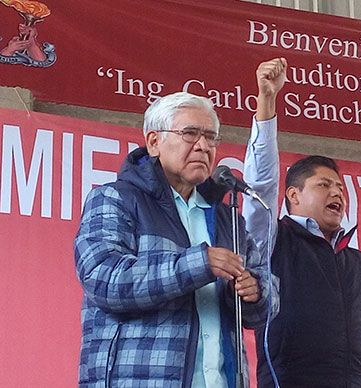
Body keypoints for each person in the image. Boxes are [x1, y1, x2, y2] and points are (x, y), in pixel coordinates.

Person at [74, 91, 278, 387]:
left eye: (211, 137)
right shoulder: (114, 198)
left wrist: (256, 291)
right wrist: (199, 263)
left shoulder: (227, 218)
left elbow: (267, 292)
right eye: (190, 134)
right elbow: (103, 278)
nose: (203, 146)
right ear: (154, 142)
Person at [244, 58, 361, 387]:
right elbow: (259, 186)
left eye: (340, 188)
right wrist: (267, 101)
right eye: (324, 185)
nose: (337, 192)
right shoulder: (275, 241)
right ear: (292, 196)